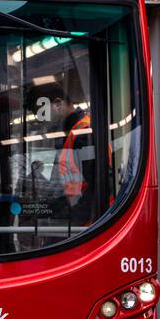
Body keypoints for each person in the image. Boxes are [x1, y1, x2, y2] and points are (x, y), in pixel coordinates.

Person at [27, 82, 92, 220]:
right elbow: (71, 189)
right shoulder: (69, 134)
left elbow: (96, 188)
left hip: (88, 225)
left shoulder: (83, 133)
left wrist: (70, 216)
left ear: (58, 104)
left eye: (42, 113)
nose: (40, 120)